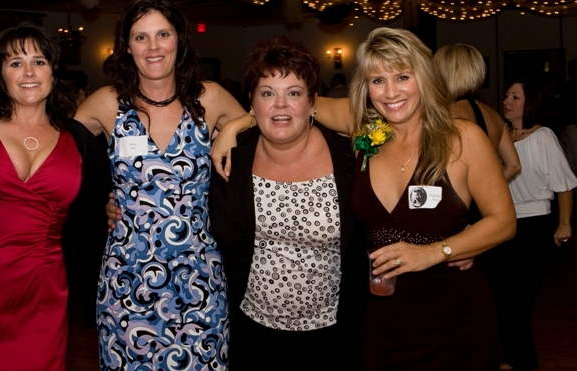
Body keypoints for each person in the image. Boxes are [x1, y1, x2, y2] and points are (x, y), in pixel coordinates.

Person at [0, 0, 246, 370]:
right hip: (128, 278)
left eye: (163, 35)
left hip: (199, 278)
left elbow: (268, 121)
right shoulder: (107, 103)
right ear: (126, 46)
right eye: (141, 37)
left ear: (180, 40)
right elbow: (45, 128)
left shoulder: (212, 98)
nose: (153, 47)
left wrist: (235, 125)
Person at [213, 27, 516, 370]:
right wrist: (235, 126)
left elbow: (504, 222)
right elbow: (292, 104)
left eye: (402, 76)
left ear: (425, 78)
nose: (390, 92)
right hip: (380, 317)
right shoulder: (367, 134)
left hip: (453, 314)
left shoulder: (461, 138)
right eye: (377, 80)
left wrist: (438, 250)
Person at [0, 23, 111, 370]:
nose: (29, 72)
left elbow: (100, 208)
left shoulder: (80, 140)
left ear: (53, 70)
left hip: (42, 296)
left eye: (39, 61)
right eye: (15, 63)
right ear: (0, 74)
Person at [209, 36, 359, 370]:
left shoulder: (350, 158)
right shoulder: (229, 162)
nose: (280, 105)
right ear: (252, 101)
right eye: (267, 93)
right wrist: (116, 203)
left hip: (333, 337)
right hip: (252, 334)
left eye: (293, 93)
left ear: (312, 101)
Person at [495, 78, 577, 370]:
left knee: (518, 302)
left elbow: (564, 184)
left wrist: (564, 223)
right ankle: (511, 359)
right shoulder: (501, 135)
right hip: (503, 222)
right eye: (507, 95)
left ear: (529, 104)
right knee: (503, 299)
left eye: (515, 96)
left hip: (534, 225)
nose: (507, 100)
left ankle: (524, 362)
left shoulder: (542, 137)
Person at [434, 43, 520, 181]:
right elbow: (513, 165)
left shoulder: (442, 116)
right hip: (481, 198)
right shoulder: (493, 115)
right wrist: (486, 192)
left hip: (453, 199)